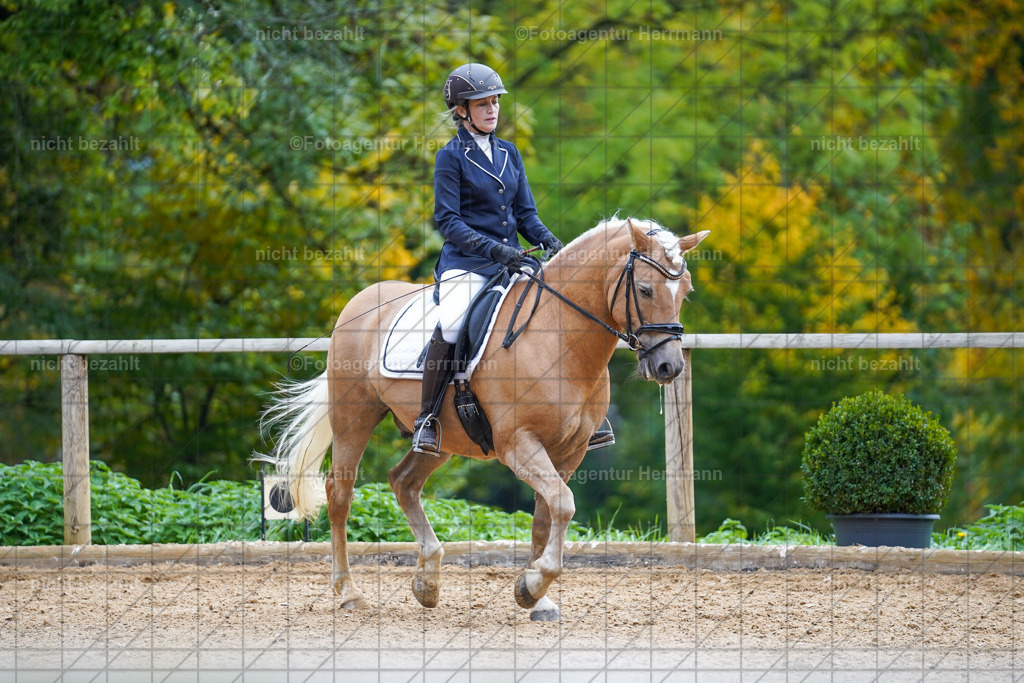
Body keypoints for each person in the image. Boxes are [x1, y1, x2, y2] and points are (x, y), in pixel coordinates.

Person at [412, 63, 613, 456]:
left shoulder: (508, 152)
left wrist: (553, 243)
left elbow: (526, 215)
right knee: (452, 323)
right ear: (461, 111)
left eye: (494, 102)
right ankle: (428, 419)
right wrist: (496, 250)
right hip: (467, 264)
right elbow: (448, 222)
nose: (492, 110)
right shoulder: (449, 157)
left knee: (564, 312)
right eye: (481, 104)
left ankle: (589, 411)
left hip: (511, 262)